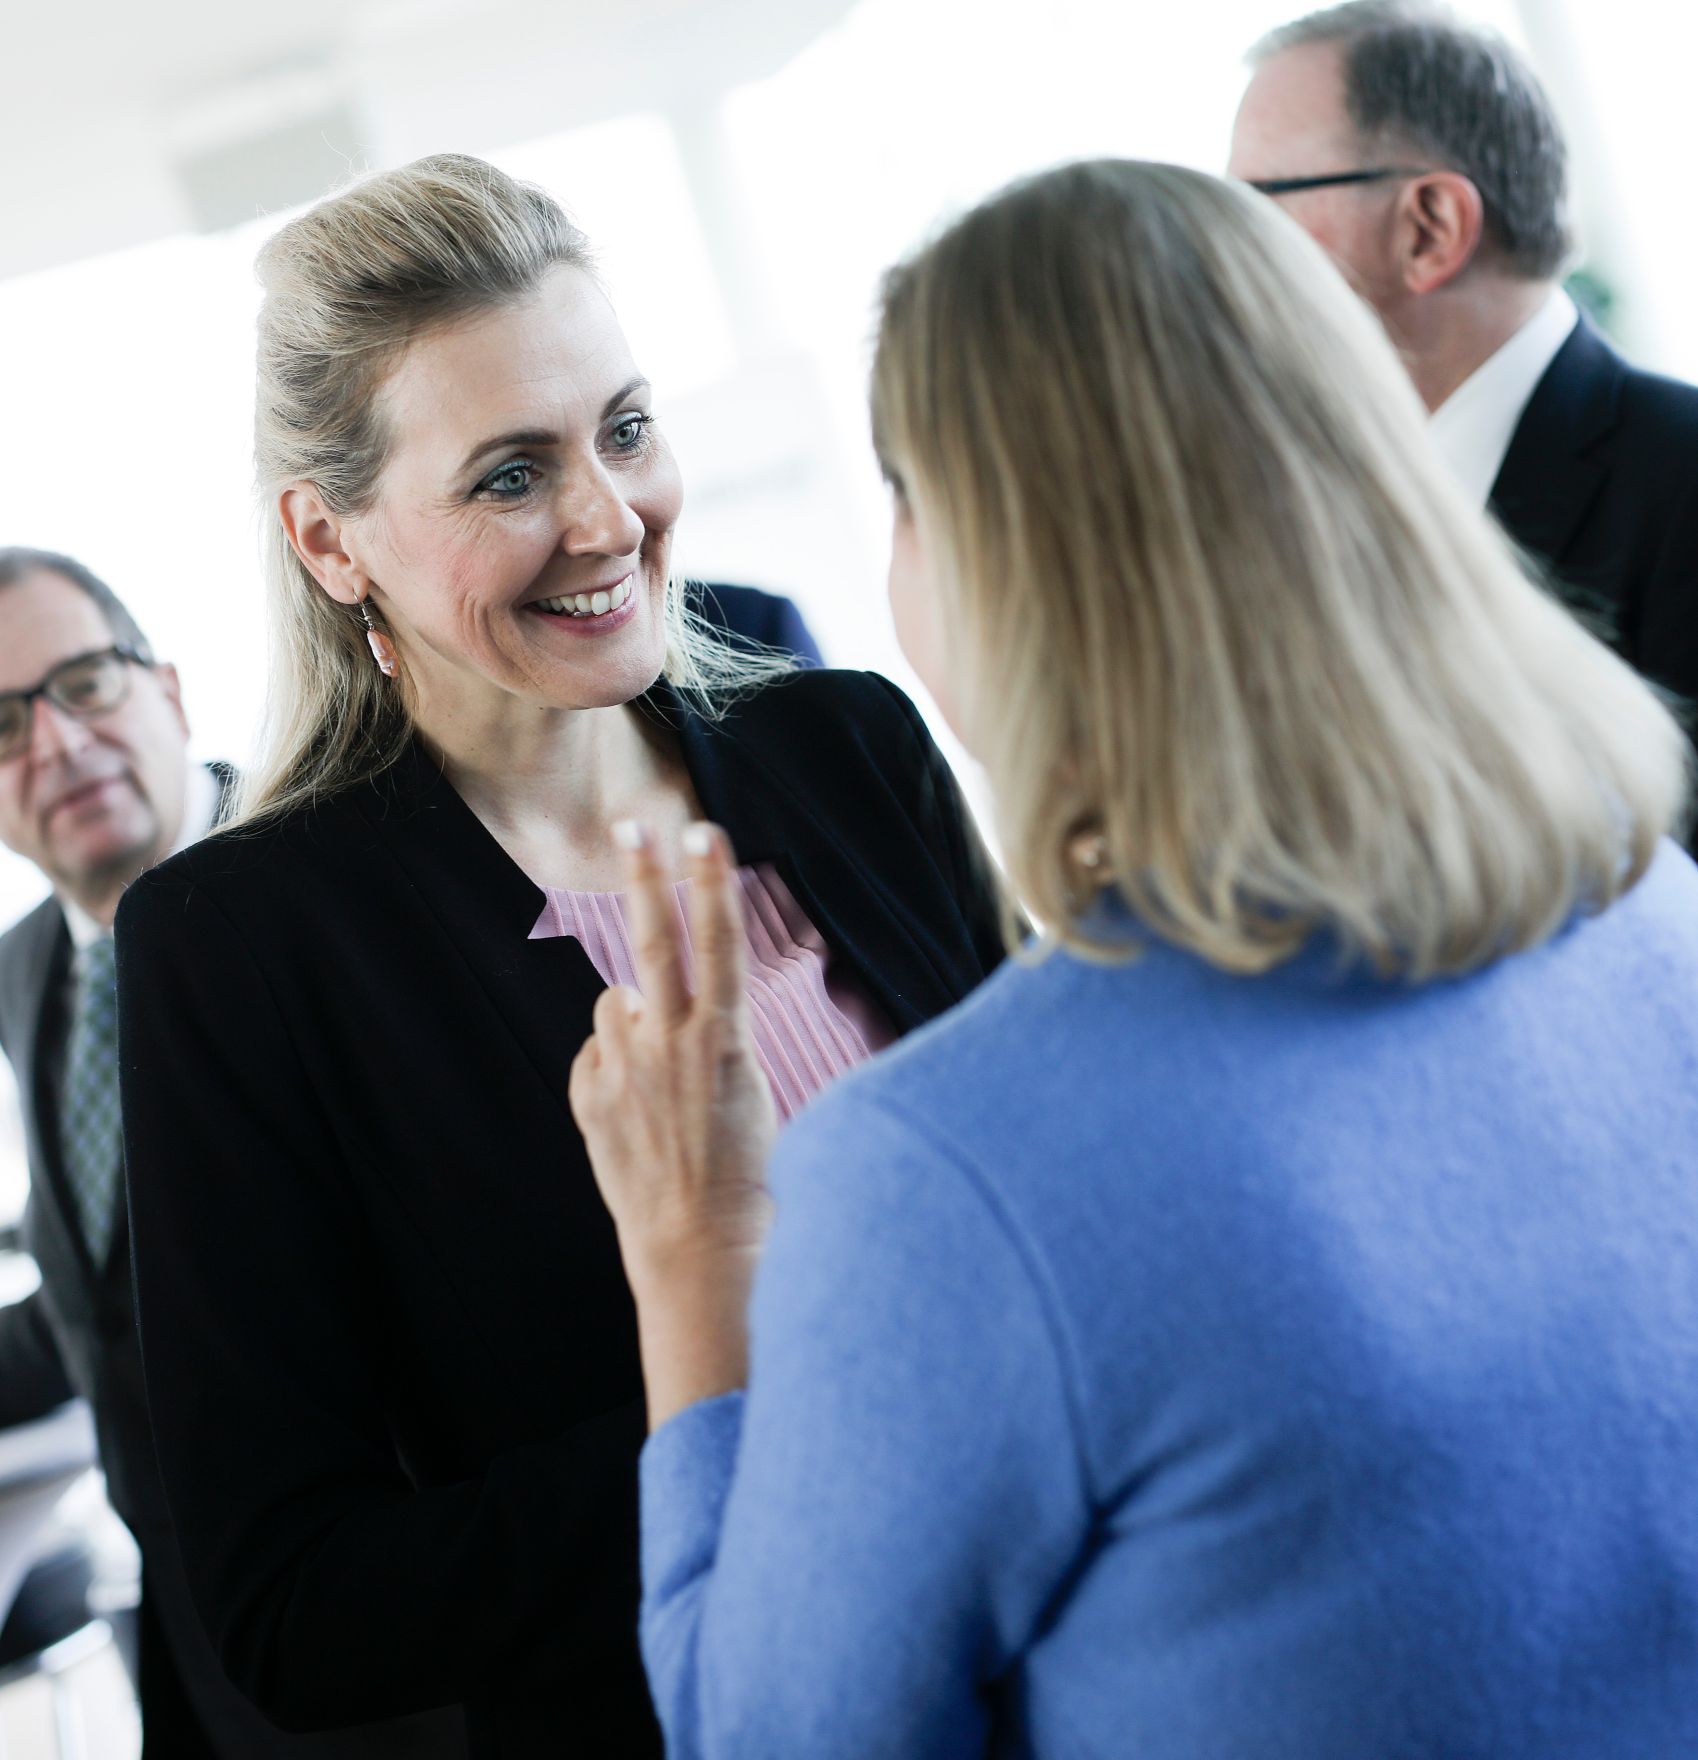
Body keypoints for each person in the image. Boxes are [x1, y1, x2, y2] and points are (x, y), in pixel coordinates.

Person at [569, 159, 1698, 1758]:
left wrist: (695, 1262)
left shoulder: (940, 1175)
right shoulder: (1651, 914)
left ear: (1009, 562)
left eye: (902, 495)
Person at [114, 153, 1002, 1759]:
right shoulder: (240, 949)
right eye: (508, 476)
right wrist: (773, 1411)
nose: (608, 518)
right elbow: (294, 1606)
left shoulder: (849, 745)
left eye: (626, 428)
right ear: (332, 541)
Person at [0, 551, 466, 1757]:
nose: (54, 744)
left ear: (166, 687)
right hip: (209, 1665)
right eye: (2, 723)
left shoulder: (346, 884)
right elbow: (109, 1303)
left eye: (85, 684)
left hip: (424, 1665)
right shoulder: (26, 972)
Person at [1228, 0, 1698, 713]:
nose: (1228, 254)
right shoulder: (1301, 512)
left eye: (1256, 204)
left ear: (1430, 227)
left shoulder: (1681, 480)